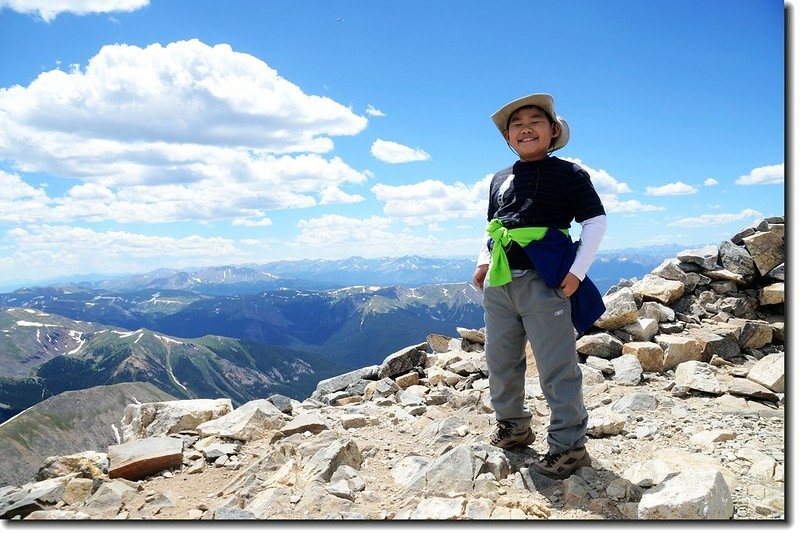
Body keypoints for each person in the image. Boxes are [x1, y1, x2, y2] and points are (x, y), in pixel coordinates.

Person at [472, 93, 607, 479]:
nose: (526, 127)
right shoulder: (500, 178)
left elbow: (595, 222)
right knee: (499, 360)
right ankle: (513, 426)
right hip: (501, 280)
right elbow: (494, 228)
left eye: (536, 120)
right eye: (516, 124)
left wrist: (577, 272)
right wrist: (483, 262)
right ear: (508, 138)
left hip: (545, 279)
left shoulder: (569, 174)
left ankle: (569, 446)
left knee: (555, 366)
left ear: (553, 131)